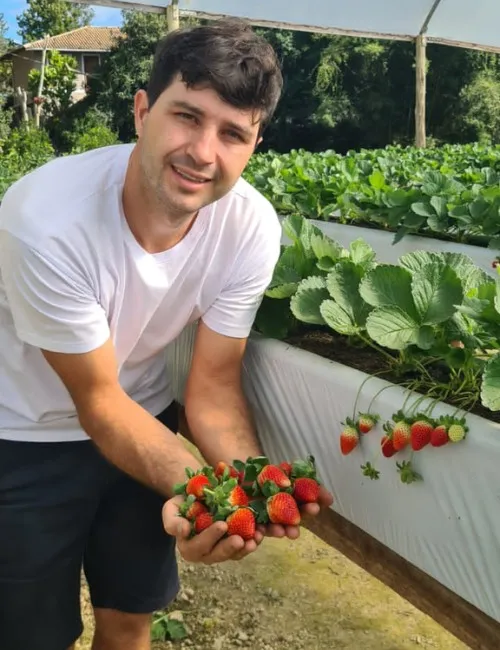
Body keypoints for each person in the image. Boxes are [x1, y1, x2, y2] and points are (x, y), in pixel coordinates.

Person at [0, 17, 333, 650]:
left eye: (232, 133)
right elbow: (97, 403)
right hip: (23, 435)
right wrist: (201, 488)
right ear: (142, 111)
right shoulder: (44, 221)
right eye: (187, 116)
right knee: (30, 635)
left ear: (254, 144)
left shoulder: (249, 229)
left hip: (146, 418)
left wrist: (253, 490)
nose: (203, 152)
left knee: (130, 616)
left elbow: (211, 385)